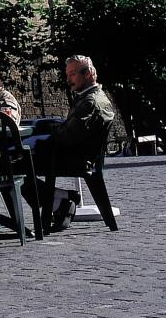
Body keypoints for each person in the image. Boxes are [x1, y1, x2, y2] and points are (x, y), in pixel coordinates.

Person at [39, 55, 119, 231]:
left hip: (75, 159)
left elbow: (67, 137)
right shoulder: (92, 96)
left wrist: (49, 131)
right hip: (80, 155)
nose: (68, 79)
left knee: (15, 165)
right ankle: (60, 200)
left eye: (72, 74)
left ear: (88, 74)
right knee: (18, 162)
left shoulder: (90, 102)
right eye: (68, 74)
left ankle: (59, 203)